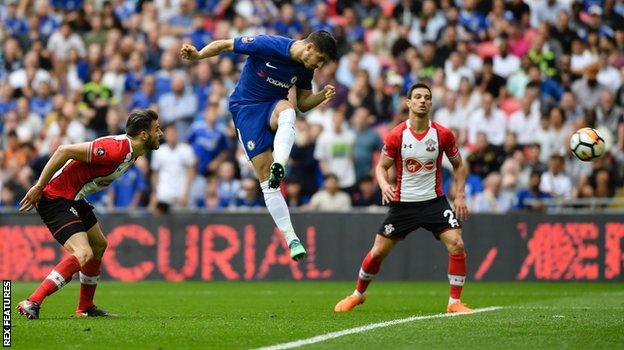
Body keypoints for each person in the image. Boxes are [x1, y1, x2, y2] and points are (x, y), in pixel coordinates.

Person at [180, 30, 337, 261]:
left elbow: (303, 103)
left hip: (272, 106)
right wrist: (198, 55)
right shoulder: (267, 44)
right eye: (320, 59)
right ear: (310, 47)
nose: (320, 65)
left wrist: (322, 95)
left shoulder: (306, 68)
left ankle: (280, 164)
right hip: (245, 109)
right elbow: (224, 44)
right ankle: (292, 238)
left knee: (288, 110)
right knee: (267, 184)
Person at [334, 83, 473, 314]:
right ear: (408, 103)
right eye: (417, 97)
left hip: (434, 201)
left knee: (457, 244)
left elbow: (459, 166)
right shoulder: (397, 135)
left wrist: (459, 196)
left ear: (430, 104)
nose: (422, 101)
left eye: (426, 98)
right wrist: (384, 184)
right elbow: (381, 167)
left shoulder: (443, 134)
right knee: (378, 252)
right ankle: (357, 294)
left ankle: (454, 303)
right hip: (403, 204)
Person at [16, 109, 163, 320]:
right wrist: (39, 186)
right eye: (157, 130)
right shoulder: (114, 150)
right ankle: (32, 301)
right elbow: (63, 151)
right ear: (144, 135)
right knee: (83, 253)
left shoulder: (134, 153)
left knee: (99, 245)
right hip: (54, 197)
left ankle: (85, 307)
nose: (161, 134)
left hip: (73, 196)